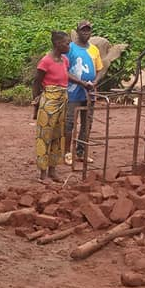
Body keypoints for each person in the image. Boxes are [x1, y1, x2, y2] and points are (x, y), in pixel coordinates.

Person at [33, 31, 93, 180]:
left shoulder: (64, 60)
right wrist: (35, 101)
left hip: (62, 99)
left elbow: (66, 75)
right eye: (66, 43)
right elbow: (36, 82)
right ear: (57, 44)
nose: (69, 46)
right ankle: (42, 173)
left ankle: (52, 170)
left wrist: (83, 83)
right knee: (44, 136)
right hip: (50, 100)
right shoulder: (46, 61)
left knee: (57, 136)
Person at [64, 21, 102, 164]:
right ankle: (67, 152)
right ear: (77, 32)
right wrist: (80, 83)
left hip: (90, 92)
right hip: (73, 92)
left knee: (87, 123)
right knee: (70, 122)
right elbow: (64, 70)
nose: (86, 33)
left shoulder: (94, 49)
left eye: (88, 30)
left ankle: (81, 152)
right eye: (83, 30)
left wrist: (96, 82)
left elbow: (99, 69)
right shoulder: (70, 49)